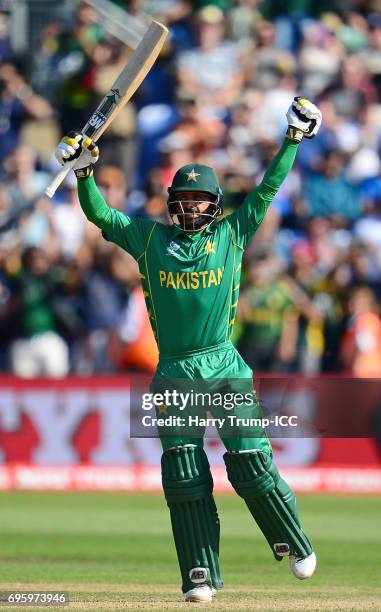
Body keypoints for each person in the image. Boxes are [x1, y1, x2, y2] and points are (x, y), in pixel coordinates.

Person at [55, 97, 322, 603]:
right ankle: (201, 573)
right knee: (183, 473)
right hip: (175, 373)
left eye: (201, 197)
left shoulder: (233, 234)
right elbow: (99, 215)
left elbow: (268, 188)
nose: (192, 204)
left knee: (249, 464)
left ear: (214, 202)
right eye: (185, 196)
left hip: (223, 365)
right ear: (172, 200)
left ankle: (293, 541)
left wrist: (292, 139)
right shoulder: (148, 239)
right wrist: (84, 173)